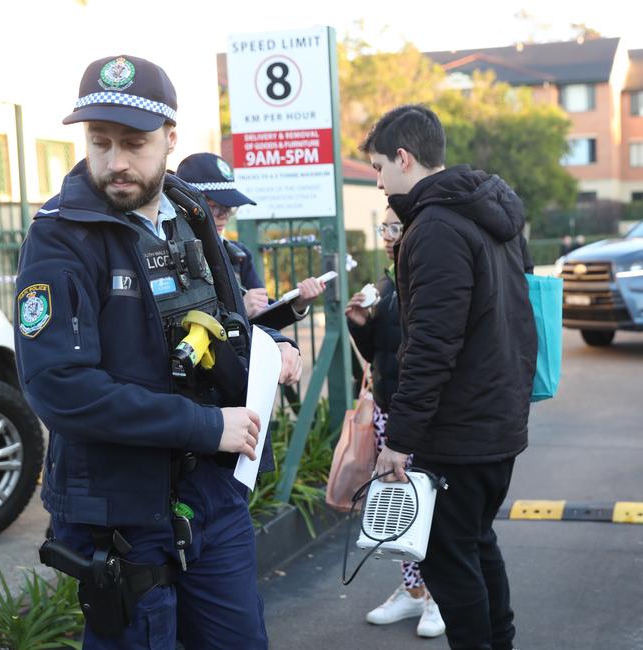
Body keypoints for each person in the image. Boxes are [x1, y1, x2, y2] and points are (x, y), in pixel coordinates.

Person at [14, 54, 303, 649]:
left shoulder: (191, 213)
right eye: (101, 142)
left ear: (171, 139)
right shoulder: (59, 235)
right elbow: (60, 388)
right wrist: (203, 427)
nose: (116, 162)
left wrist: (269, 346)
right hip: (121, 515)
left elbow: (221, 321)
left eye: (134, 143)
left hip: (214, 498)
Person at [361, 104, 537, 650]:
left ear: (404, 158)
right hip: (497, 419)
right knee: (476, 544)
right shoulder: (491, 216)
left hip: (459, 430)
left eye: (379, 167)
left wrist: (400, 442)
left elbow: (432, 346)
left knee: (449, 562)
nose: (379, 180)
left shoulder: (435, 227)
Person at [345, 205, 445, 639]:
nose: (388, 234)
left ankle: (440, 597)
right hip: (388, 407)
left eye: (395, 226)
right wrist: (360, 324)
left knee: (429, 509)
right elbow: (378, 355)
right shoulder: (387, 281)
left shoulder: (426, 280)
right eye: (384, 227)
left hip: (421, 416)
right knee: (398, 507)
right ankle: (413, 591)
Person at [176, 153, 326, 329]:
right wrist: (240, 311)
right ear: (186, 205)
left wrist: (299, 303)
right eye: (215, 207)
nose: (224, 216)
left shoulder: (238, 254)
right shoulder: (173, 256)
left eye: (228, 208)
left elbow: (263, 316)